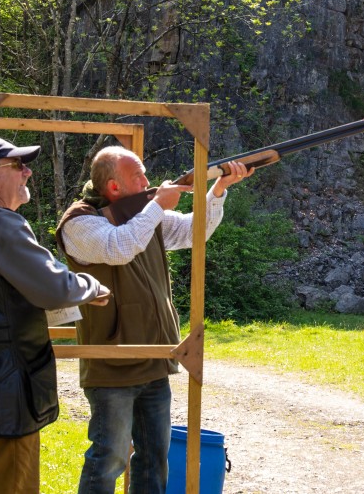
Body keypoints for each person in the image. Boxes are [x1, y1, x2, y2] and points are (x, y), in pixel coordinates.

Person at [55, 145, 253, 494]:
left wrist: (218, 189)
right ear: (114, 187)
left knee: (154, 459)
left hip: (154, 358)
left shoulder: (142, 214)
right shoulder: (79, 223)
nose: (148, 181)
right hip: (111, 362)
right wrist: (158, 205)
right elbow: (119, 247)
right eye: (139, 177)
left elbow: (196, 231)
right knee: (109, 458)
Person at [0, 137, 111, 494]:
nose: (27, 172)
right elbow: (53, 287)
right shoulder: (0, 223)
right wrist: (92, 286)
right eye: (18, 166)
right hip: (3, 389)